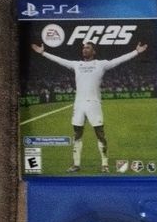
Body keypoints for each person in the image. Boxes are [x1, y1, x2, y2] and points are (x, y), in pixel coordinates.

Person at [30, 39, 147, 173]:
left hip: (94, 104)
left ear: (93, 51)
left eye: (87, 48)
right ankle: (76, 164)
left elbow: (118, 60)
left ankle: (104, 164)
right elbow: (60, 60)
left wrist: (136, 52)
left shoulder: (101, 64)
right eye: (83, 48)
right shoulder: (76, 64)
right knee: (77, 134)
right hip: (79, 105)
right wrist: (43, 53)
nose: (84, 50)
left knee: (100, 134)